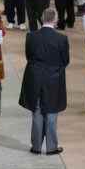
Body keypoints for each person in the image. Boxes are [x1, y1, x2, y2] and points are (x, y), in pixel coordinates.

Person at [19, 8, 69, 155]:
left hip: (34, 77)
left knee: (37, 110)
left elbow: (29, 56)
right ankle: (52, 147)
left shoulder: (31, 36)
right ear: (55, 19)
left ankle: (36, 147)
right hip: (54, 78)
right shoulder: (62, 39)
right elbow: (65, 61)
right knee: (52, 111)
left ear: (42, 18)